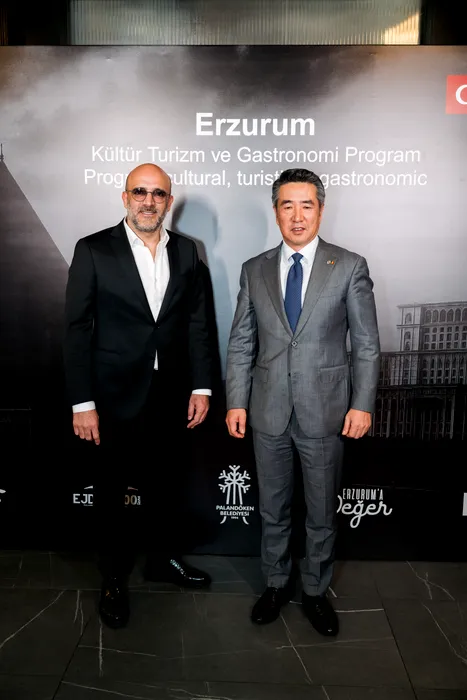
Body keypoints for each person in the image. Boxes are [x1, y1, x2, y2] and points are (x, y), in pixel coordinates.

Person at [225, 168, 380, 636]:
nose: (297, 216)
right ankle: (275, 584)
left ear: (320, 210)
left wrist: (362, 404)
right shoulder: (254, 269)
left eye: (306, 205)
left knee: (320, 511)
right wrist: (236, 401)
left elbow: (366, 344)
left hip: (326, 412)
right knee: (272, 509)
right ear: (276, 211)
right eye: (287, 205)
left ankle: (314, 590)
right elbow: (241, 342)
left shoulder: (349, 266)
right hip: (267, 410)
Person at [64, 163, 213, 628]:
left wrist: (202, 385)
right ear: (125, 197)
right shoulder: (93, 249)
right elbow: (76, 329)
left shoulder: (187, 251)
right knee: (111, 492)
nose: (149, 201)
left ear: (169, 200)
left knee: (167, 485)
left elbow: (197, 323)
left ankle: (162, 561)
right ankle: (113, 578)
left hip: (170, 393)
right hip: (111, 396)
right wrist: (82, 403)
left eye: (158, 194)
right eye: (140, 192)